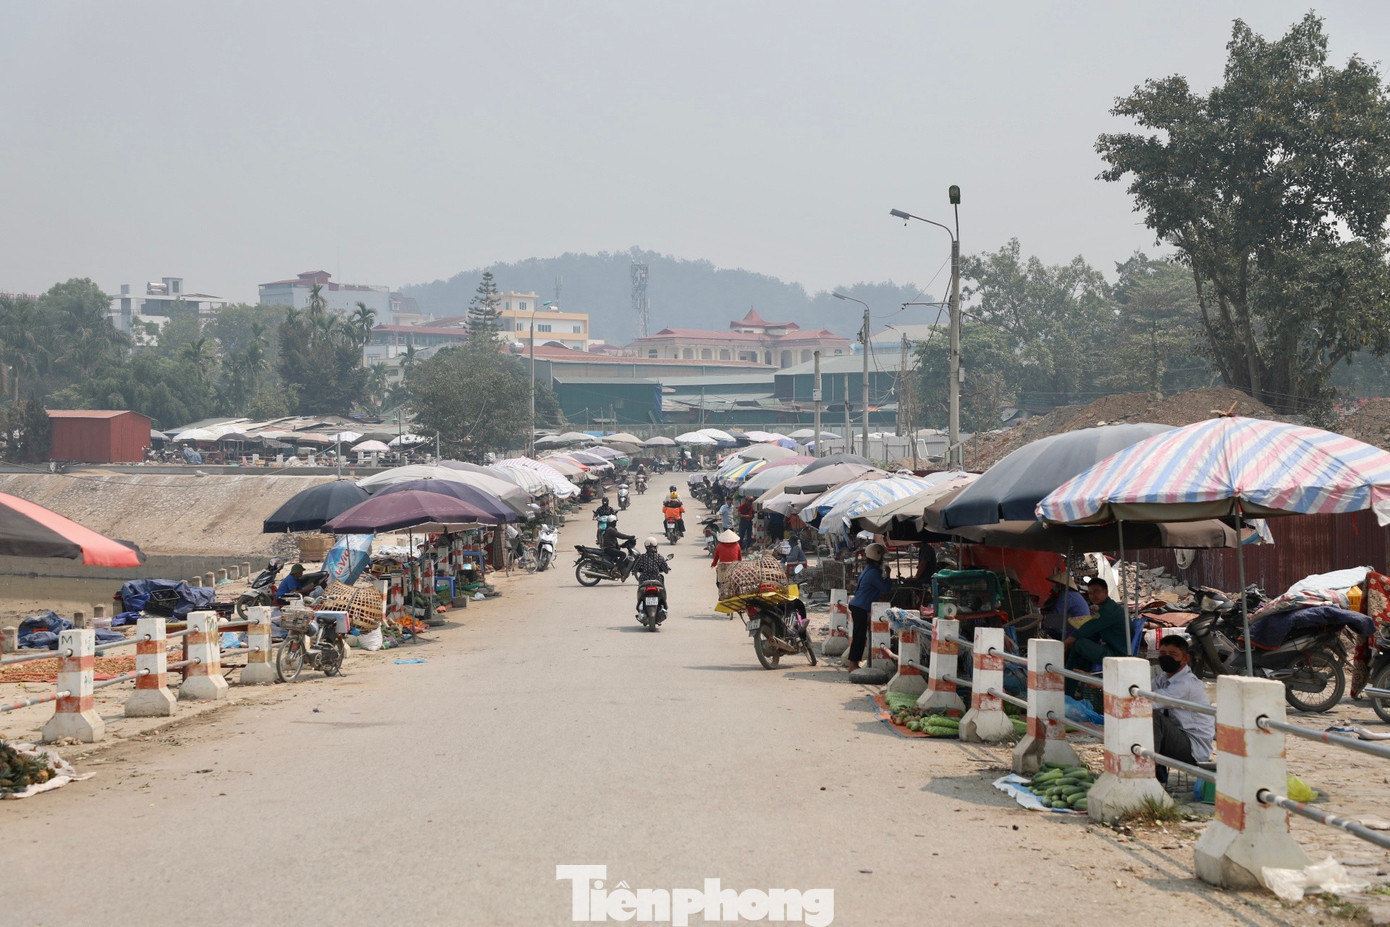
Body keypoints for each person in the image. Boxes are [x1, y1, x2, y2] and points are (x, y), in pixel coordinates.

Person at [1151, 635, 1214, 781]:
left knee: (1152, 717)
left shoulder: (1187, 684)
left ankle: (1149, 774)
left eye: (1173, 654)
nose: (1166, 658)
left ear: (1185, 658)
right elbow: (1145, 691)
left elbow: (1151, 701)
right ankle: (1156, 771)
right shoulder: (1162, 678)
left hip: (1193, 749)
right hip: (1177, 737)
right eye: (1162, 654)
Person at [1064, 577, 1130, 694]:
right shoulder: (1106, 608)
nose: (1093, 595)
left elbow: (1086, 629)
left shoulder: (1109, 611)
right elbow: (1091, 630)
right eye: (1090, 593)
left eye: (1097, 591)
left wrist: (1066, 644)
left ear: (1105, 592)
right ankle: (1072, 685)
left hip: (1117, 653)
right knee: (1082, 647)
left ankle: (1068, 688)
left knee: (1079, 644)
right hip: (1111, 648)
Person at [845, 543, 893, 672]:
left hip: (857, 605)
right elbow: (886, 588)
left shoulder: (869, 569)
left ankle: (854, 663)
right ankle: (853, 664)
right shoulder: (874, 573)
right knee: (859, 637)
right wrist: (888, 575)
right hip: (860, 607)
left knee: (860, 636)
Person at [1042, 570, 1091, 640]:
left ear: (1061, 585)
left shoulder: (1066, 595)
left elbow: (1056, 613)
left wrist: (1044, 618)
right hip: (1080, 627)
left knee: (1048, 622)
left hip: (1076, 631)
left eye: (1057, 584)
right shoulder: (1073, 594)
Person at [630, 537, 671, 620]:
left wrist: (634, 571)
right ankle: (663, 603)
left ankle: (640, 603)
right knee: (662, 591)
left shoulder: (642, 557)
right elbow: (666, 570)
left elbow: (635, 568)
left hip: (644, 580)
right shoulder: (659, 557)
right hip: (657, 580)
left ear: (646, 547)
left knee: (640, 593)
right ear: (656, 546)